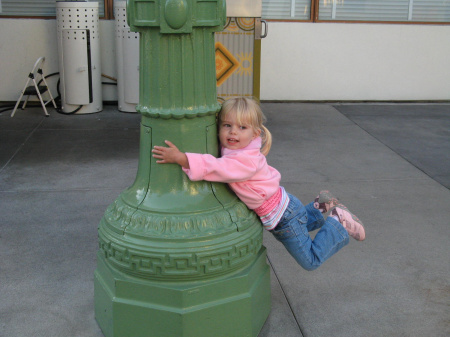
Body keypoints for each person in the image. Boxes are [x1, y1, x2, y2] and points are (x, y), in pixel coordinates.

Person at [152, 97, 365, 271]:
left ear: (255, 133)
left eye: (241, 127)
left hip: (284, 216)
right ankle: (320, 205)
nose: (233, 132)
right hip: (286, 207)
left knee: (310, 259)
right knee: (303, 224)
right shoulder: (241, 149)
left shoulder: (245, 160)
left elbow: (217, 167)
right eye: (227, 125)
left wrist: (182, 158)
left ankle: (338, 221)